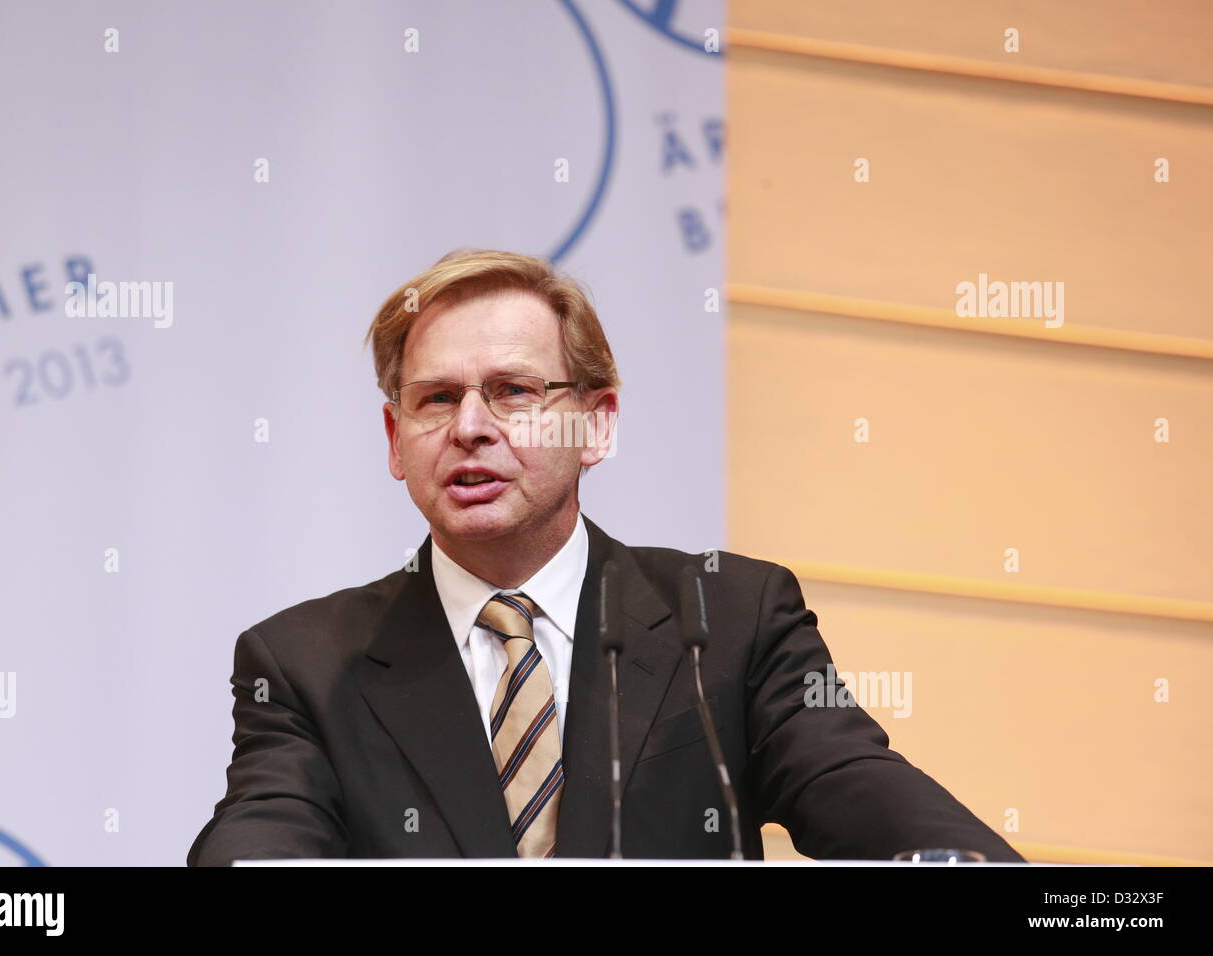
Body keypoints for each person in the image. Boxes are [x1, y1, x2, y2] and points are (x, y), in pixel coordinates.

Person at [187, 249, 1024, 864]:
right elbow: (261, 834)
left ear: (597, 424)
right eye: (436, 399)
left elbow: (858, 788)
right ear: (396, 439)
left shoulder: (729, 617)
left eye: (513, 391)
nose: (470, 426)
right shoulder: (304, 661)